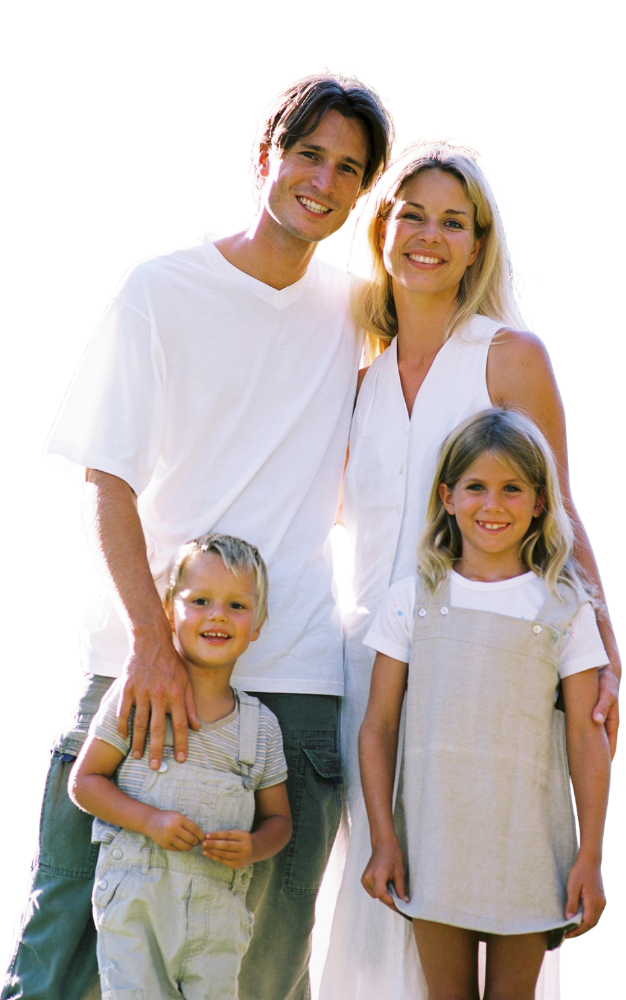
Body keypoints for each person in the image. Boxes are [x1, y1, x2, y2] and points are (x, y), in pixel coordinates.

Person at [1, 68, 397, 1000]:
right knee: (67, 952)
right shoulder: (160, 287)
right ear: (263, 156)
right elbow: (107, 481)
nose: (324, 181)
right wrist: (149, 643)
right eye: (307, 154)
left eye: (348, 169)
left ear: (362, 192)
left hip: (293, 676)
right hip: (147, 668)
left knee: (261, 966)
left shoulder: (355, 313)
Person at [319, 138, 620, 1000]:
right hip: (370, 664)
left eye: (455, 222)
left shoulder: (509, 354)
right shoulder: (358, 375)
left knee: (488, 880)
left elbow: (559, 509)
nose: (430, 236)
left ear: (479, 244)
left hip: (487, 668)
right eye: (412, 215)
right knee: (375, 906)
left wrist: (604, 642)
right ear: (380, 228)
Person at [359, 408, 611, 1000]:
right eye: (476, 486)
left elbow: (585, 736)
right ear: (447, 497)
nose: (492, 505)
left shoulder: (564, 608)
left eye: (512, 489)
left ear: (540, 502)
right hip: (433, 845)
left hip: (527, 848)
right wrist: (383, 838)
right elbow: (378, 727)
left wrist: (589, 856)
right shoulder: (413, 599)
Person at [70, 533, 292, 1000]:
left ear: (258, 624)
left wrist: (254, 846)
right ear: (170, 612)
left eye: (236, 605)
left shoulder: (261, 728)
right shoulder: (137, 697)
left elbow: (280, 821)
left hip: (218, 925)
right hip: (135, 914)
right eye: (200, 601)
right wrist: (149, 820)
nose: (217, 615)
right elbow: (85, 783)